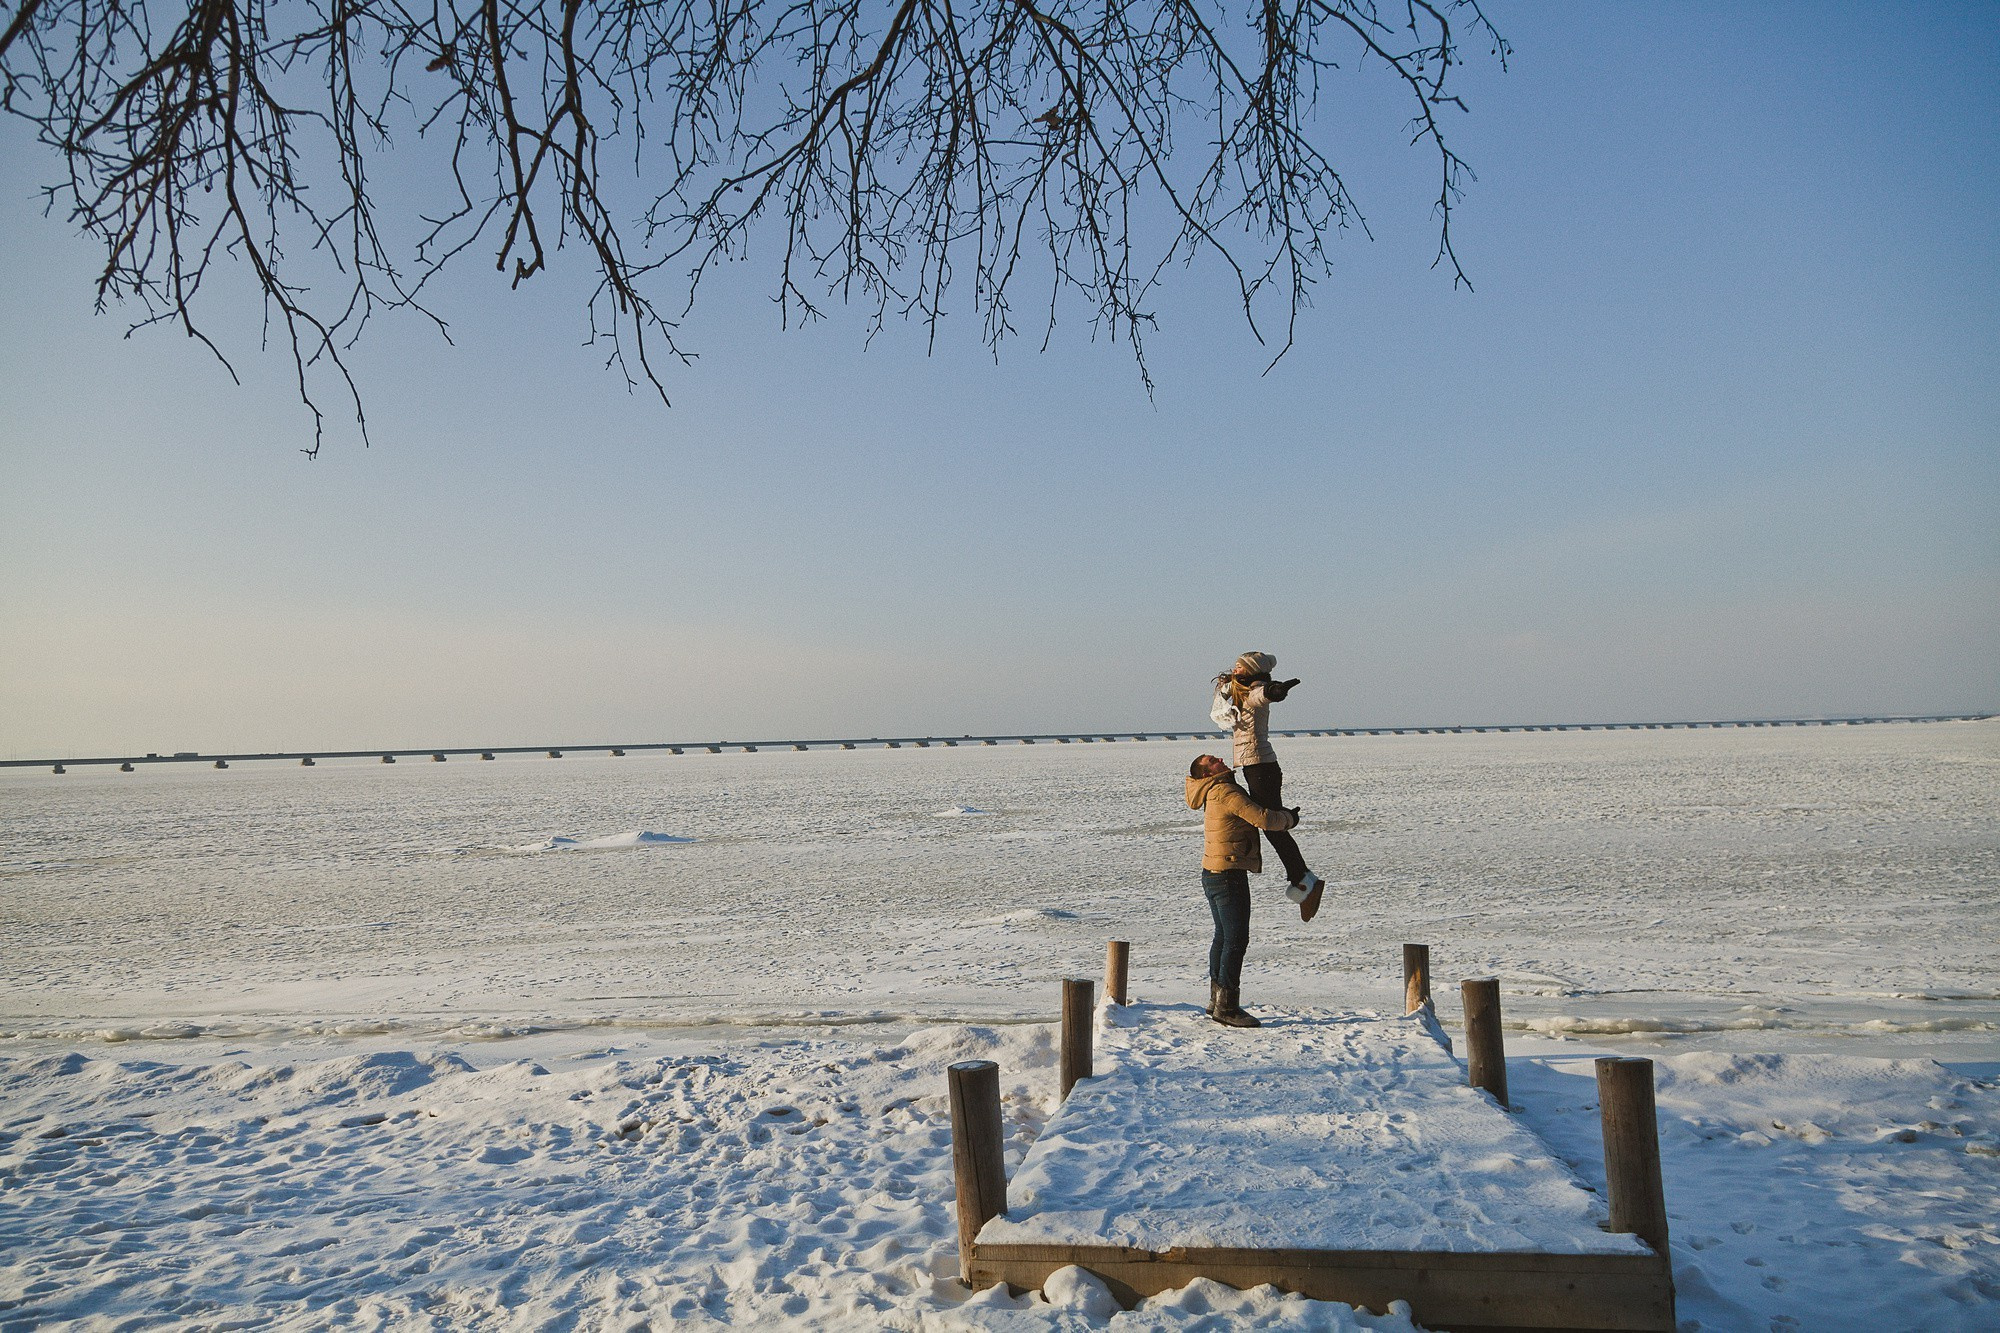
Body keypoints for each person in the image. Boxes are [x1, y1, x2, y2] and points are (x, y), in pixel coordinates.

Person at [1185, 753, 1300, 1028]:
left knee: (1224, 937)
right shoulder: (1224, 791)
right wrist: (1288, 820)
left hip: (1213, 872)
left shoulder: (1214, 790)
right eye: (1213, 761)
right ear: (1206, 773)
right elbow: (1261, 818)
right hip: (1227, 873)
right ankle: (1227, 1006)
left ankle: (1217, 999)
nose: (1221, 759)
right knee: (1236, 939)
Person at [1212, 651, 1325, 921]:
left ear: (1251, 671)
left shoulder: (1254, 690)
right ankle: (1302, 880)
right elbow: (1226, 694)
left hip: (1261, 766)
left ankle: (1304, 881)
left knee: (1271, 825)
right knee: (1271, 826)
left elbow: (1264, 695)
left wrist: (1277, 690)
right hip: (1255, 766)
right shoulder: (1235, 690)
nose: (1236, 668)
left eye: (1241, 666)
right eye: (1236, 664)